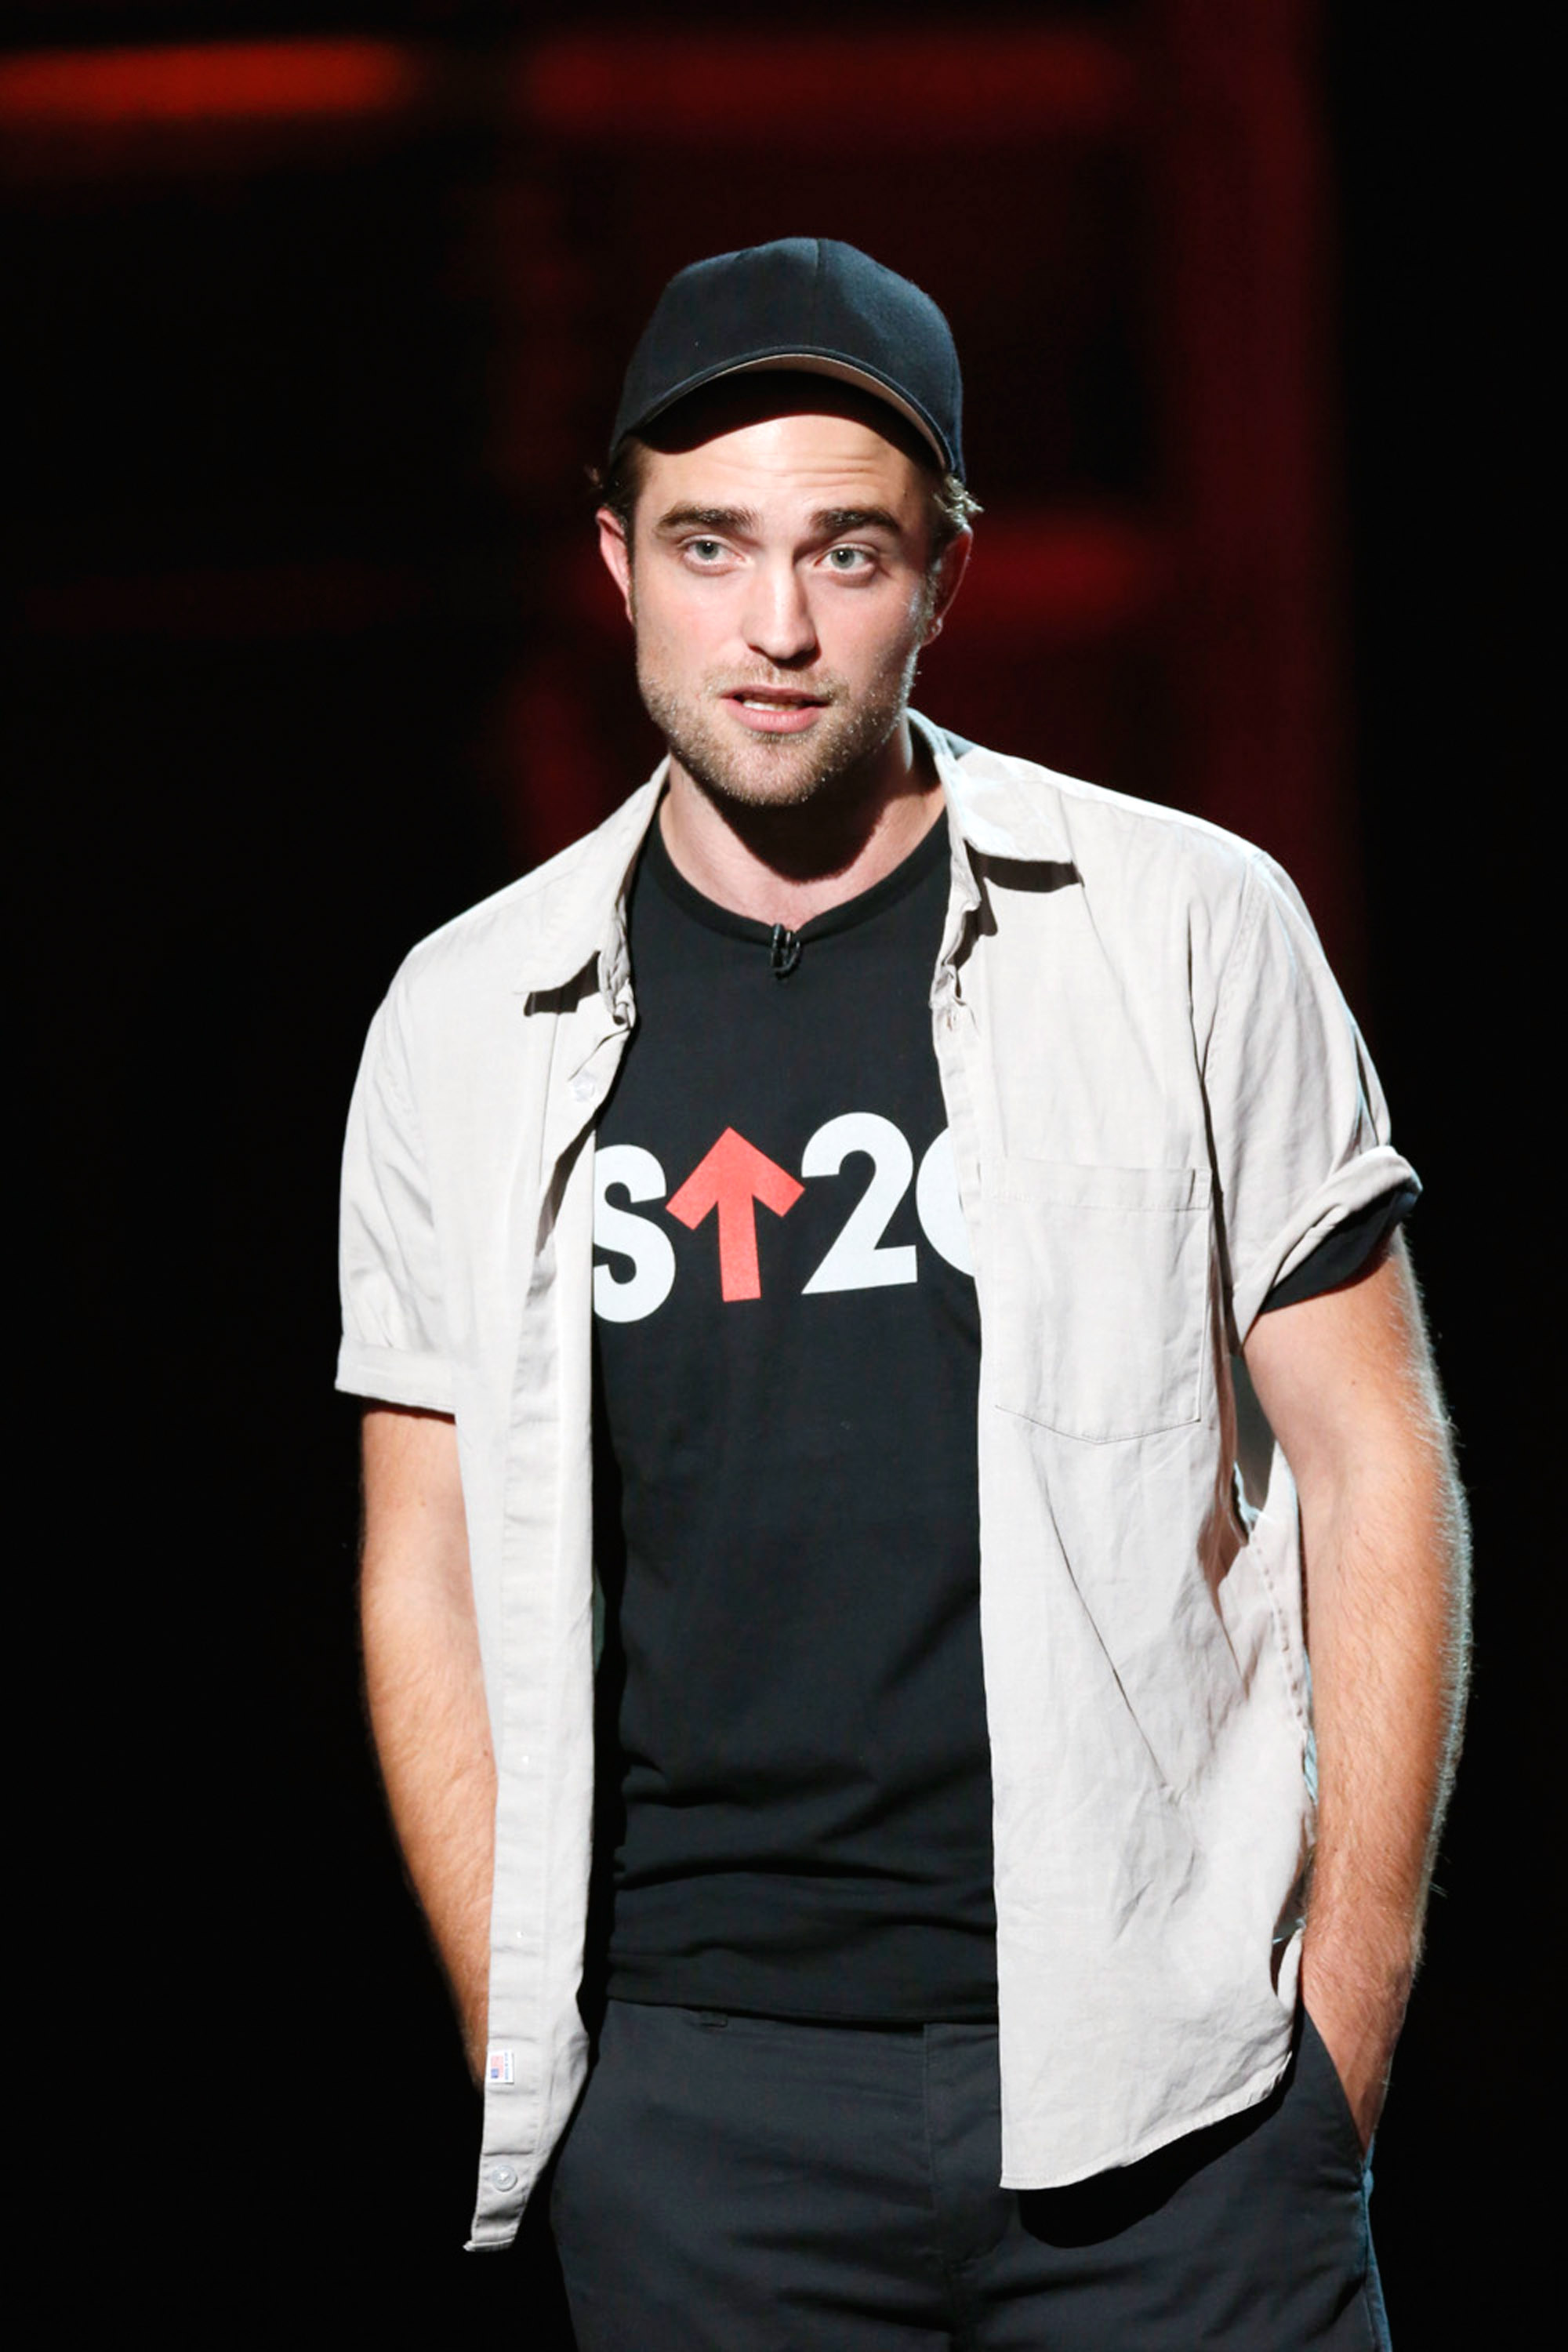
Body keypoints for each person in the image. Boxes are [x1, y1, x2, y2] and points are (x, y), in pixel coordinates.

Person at [339, 238, 1468, 2345]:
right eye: (711, 546)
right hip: (705, 2119)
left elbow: (1371, 1456)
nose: (775, 626)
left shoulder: (1188, 927)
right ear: (620, 562)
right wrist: (555, 2069)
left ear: (942, 574)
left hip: (1182, 2100)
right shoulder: (463, 1021)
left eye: (845, 552)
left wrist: (1345, 2025)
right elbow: (425, 1557)